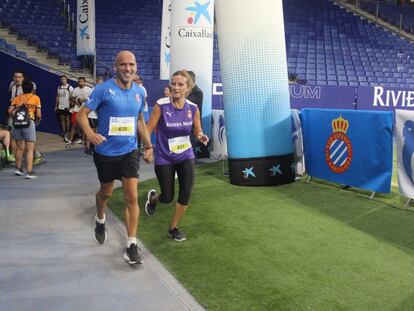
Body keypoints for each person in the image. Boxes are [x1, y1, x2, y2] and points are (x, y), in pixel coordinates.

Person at [77, 50, 153, 265]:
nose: (128, 68)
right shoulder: (103, 89)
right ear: (115, 67)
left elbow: (140, 121)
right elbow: (82, 115)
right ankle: (100, 218)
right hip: (106, 154)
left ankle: (131, 244)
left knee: (132, 197)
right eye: (123, 65)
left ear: (136, 66)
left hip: (129, 152)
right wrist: (91, 135)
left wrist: (148, 145)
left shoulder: (140, 92)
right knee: (106, 192)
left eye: (131, 64)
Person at [145, 70, 209, 241]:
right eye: (173, 83)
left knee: (186, 193)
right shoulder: (161, 105)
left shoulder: (193, 108)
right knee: (167, 197)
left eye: (180, 84)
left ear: (188, 88)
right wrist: (148, 147)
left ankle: (173, 228)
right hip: (165, 156)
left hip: (186, 155)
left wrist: (201, 136)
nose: (176, 87)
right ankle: (153, 199)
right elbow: (148, 128)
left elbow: (197, 130)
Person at [8, 80, 41, 179]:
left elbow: (10, 111)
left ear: (22, 88)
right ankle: (29, 172)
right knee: (29, 149)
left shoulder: (17, 98)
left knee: (19, 148)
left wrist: (14, 119)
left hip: (17, 124)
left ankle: (18, 169)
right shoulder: (35, 98)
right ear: (32, 89)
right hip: (29, 122)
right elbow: (38, 114)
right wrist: (37, 121)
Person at [66, 77, 92, 146]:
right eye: (79, 82)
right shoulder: (75, 90)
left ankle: (83, 140)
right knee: (73, 126)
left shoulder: (89, 89)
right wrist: (76, 101)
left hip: (85, 110)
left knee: (84, 126)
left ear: (85, 82)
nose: (80, 83)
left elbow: (91, 99)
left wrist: (83, 100)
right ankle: (70, 140)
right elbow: (72, 99)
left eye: (81, 81)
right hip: (76, 110)